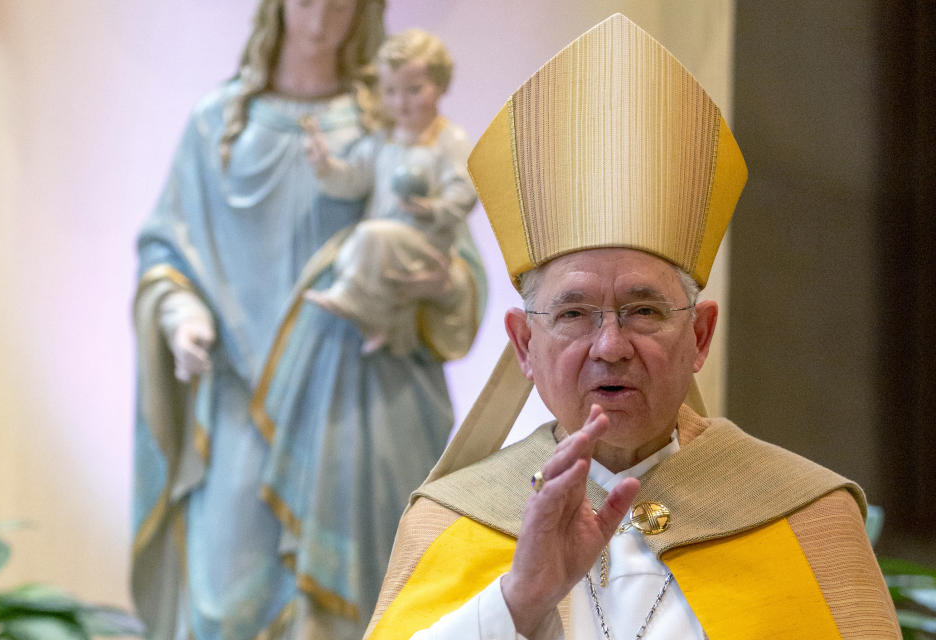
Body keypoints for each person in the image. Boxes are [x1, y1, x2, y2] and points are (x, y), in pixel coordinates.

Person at [364, 14, 900, 639]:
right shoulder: (453, 520)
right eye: (572, 315)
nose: (611, 346)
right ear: (523, 344)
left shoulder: (805, 516)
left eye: (644, 311)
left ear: (699, 336)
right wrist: (518, 601)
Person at [131, 1, 485, 638]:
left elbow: (449, 249)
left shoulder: (390, 119)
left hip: (360, 401)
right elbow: (166, 247)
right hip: (243, 396)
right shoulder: (219, 126)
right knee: (227, 600)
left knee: (372, 599)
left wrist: (444, 284)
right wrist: (181, 313)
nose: (322, 15)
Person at [303, 29, 478, 356]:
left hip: (425, 243)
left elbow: (465, 189)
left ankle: (351, 299)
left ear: (440, 86)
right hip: (385, 241)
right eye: (390, 91)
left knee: (369, 236)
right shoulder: (381, 141)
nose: (401, 102)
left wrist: (434, 208)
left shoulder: (448, 140)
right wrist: (325, 165)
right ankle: (377, 322)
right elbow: (353, 178)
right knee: (357, 245)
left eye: (414, 90)